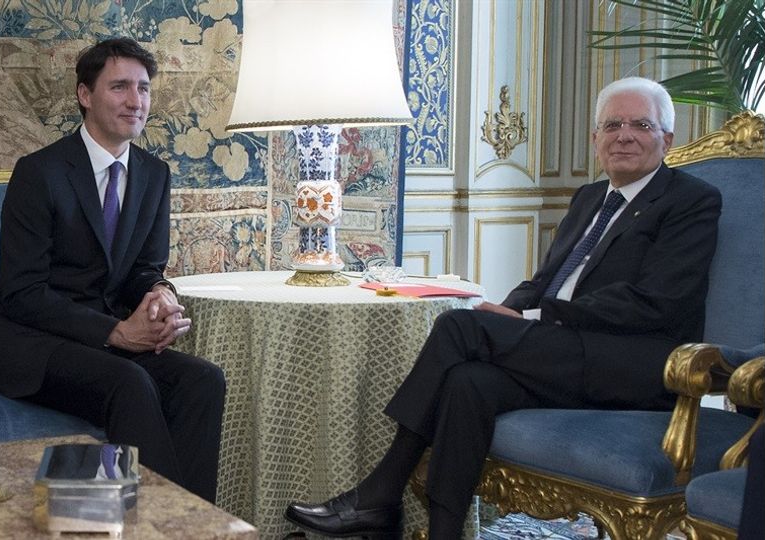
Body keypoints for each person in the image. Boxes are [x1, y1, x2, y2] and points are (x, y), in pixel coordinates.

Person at [284, 76, 722, 538]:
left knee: (458, 328)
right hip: (566, 350)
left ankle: (379, 492)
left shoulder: (689, 200)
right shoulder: (590, 197)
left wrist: (534, 318)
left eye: (641, 125)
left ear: (667, 139)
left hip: (636, 362)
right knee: (469, 381)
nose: (624, 135)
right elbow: (544, 281)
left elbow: (658, 302)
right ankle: (444, 529)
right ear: (595, 138)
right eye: (611, 124)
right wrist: (509, 309)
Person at [0, 37, 225, 503]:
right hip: (28, 341)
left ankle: (192, 520)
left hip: (103, 338)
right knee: (129, 381)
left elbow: (145, 268)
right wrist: (117, 333)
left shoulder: (153, 173)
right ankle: (153, 524)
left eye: (143, 88)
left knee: (203, 379)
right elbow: (23, 293)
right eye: (120, 86)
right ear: (85, 95)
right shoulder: (39, 172)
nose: (135, 100)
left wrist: (159, 293)